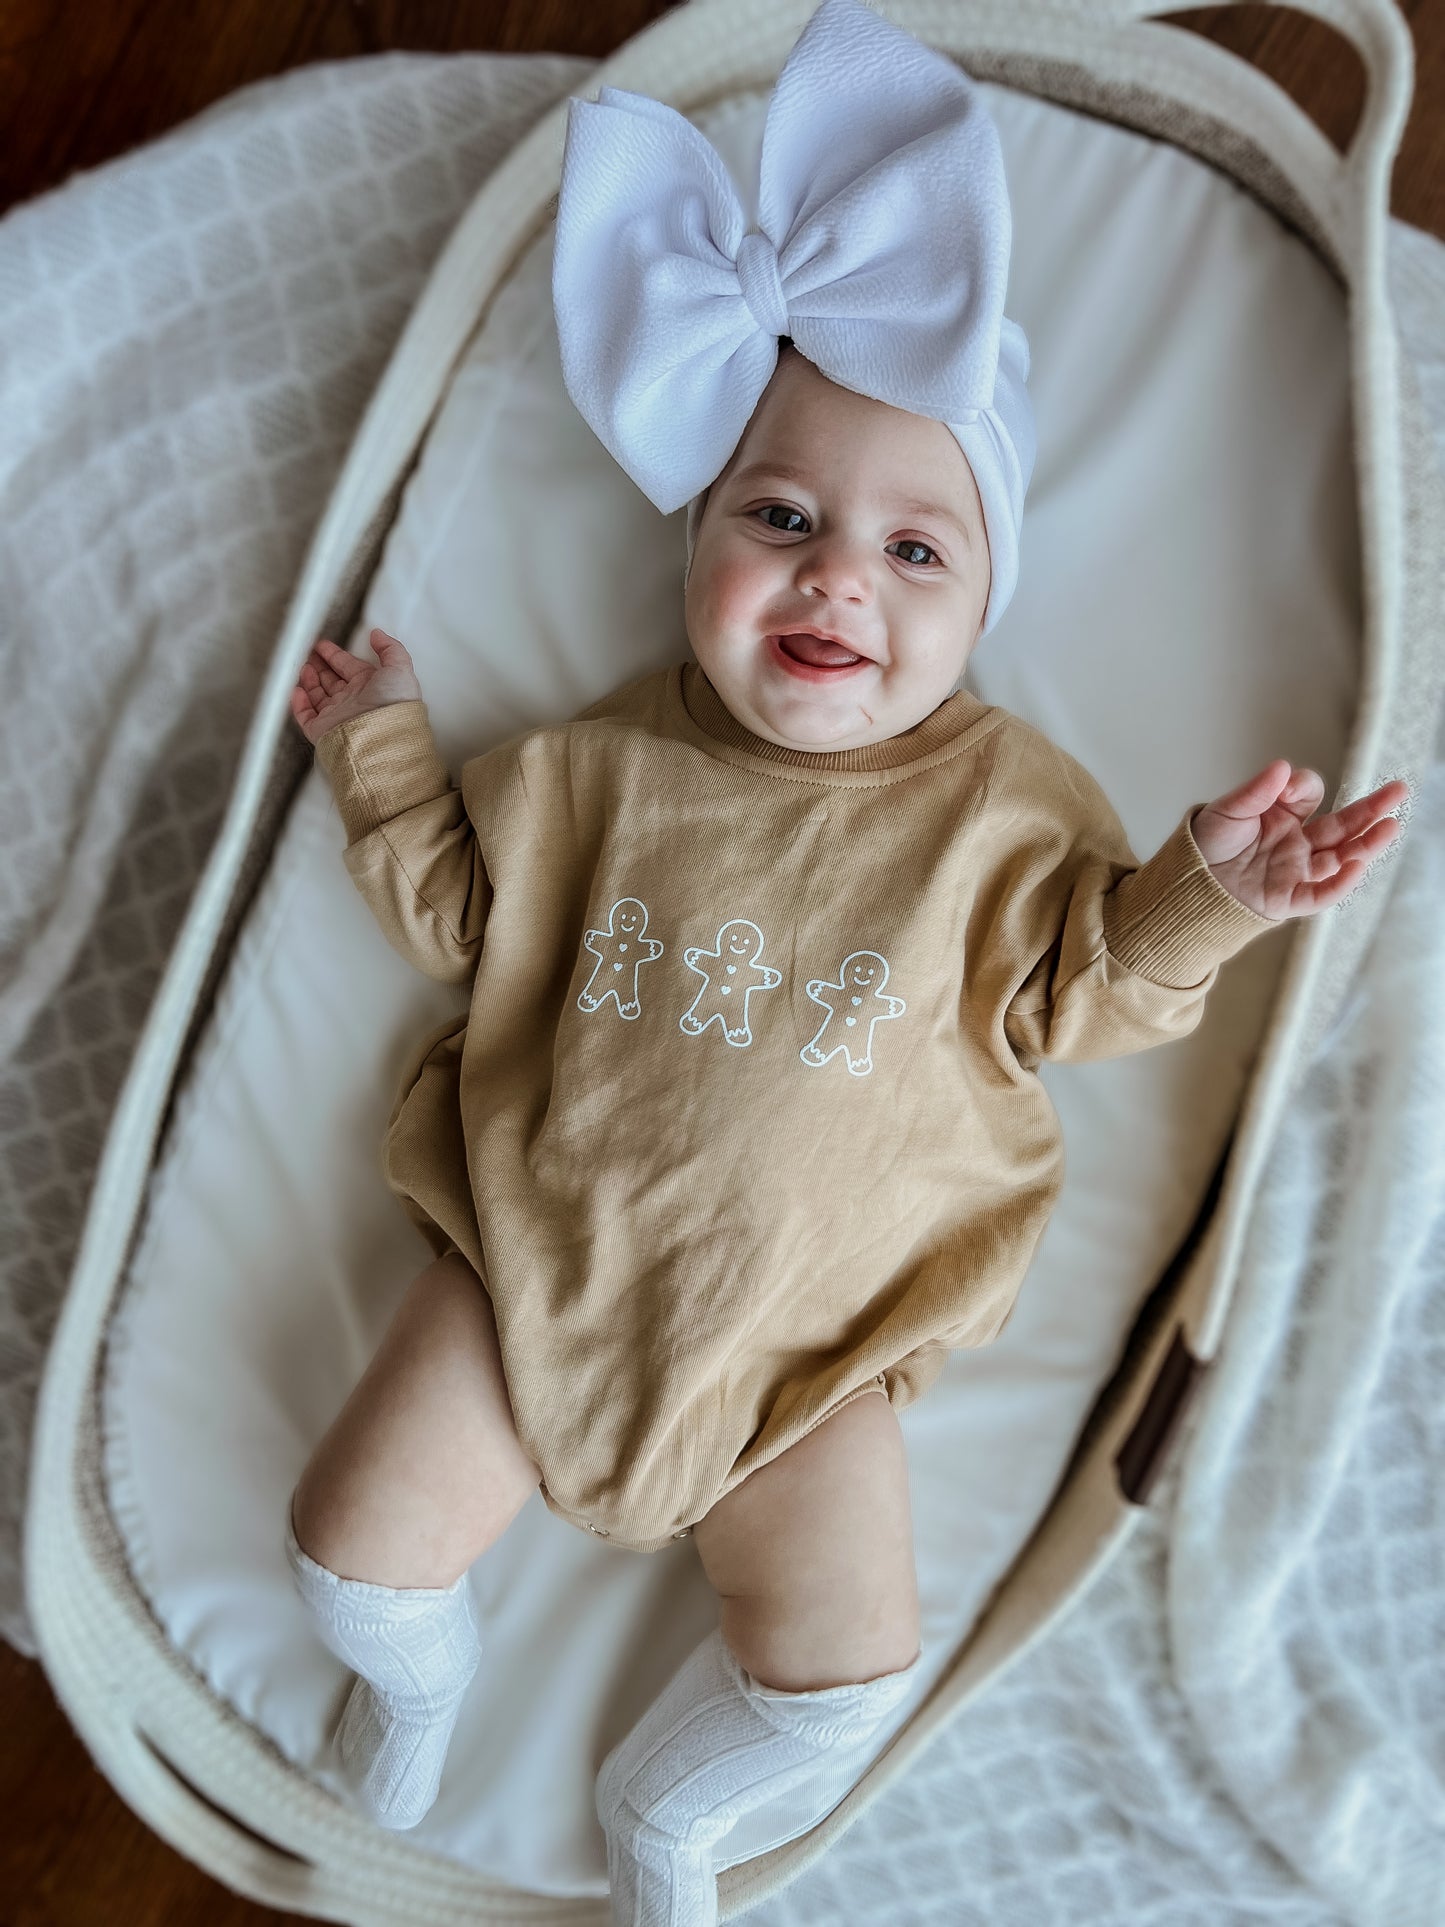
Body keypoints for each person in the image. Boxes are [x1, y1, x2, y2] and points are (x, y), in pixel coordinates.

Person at [280, 2, 1408, 1920]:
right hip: (524, 1269)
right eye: (779, 520)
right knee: (348, 1553)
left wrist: (1210, 883)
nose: (832, 581)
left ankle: (673, 1824)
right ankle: (423, 1676)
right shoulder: (595, 766)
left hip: (817, 1361)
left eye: (913, 553)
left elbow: (1084, 996)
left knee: (837, 1681)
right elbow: (464, 919)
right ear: (695, 541)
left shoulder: (1005, 814)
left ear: (987, 597)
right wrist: (380, 748)